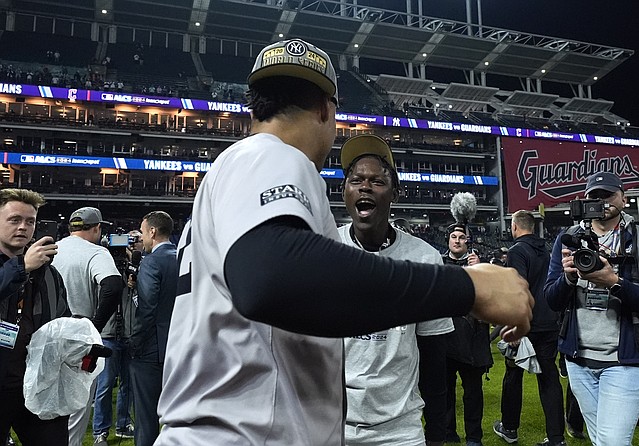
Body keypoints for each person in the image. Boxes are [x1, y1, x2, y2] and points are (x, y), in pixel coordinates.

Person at [155, 38, 533, 445]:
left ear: (255, 105)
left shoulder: (228, 169)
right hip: (245, 432)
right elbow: (271, 278)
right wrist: (468, 287)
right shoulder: (275, 157)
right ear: (326, 109)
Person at [338, 134, 454, 445]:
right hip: (332, 425)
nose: (365, 186)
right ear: (344, 192)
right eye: (357, 180)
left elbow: (434, 358)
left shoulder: (425, 259)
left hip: (400, 430)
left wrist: (438, 434)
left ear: (395, 194)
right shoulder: (324, 249)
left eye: (377, 181)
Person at [545, 171, 639, 446]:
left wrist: (614, 282)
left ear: (624, 199)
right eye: (594, 196)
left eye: (608, 195)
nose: (601, 201)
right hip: (579, 360)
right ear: (585, 201)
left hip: (628, 360)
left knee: (612, 441)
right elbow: (551, 300)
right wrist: (568, 278)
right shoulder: (567, 239)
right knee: (601, 439)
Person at [0, 188, 69, 446]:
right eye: (14, 220)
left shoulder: (49, 273)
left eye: (30, 221)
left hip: (37, 383)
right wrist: (22, 266)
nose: (23, 227)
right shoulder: (25, 265)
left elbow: (63, 318)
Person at [51, 207, 124, 446]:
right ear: (96, 228)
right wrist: (96, 327)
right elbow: (113, 286)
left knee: (48, 409)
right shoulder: (96, 252)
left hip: (47, 338)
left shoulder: (52, 249)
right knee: (77, 408)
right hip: (80, 340)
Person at [493, 210, 565, 446]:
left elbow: (518, 289)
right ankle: (556, 438)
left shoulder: (516, 251)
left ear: (514, 226)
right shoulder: (547, 249)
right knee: (549, 379)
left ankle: (510, 428)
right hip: (550, 323)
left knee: (513, 375)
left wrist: (514, 324)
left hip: (526, 324)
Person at [419, 223, 492, 446]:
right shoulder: (437, 262)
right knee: (444, 391)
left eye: (461, 237)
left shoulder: (482, 266)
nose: (457, 240)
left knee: (473, 394)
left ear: (468, 241)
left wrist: (481, 270)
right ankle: (448, 432)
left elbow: (491, 299)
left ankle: (474, 436)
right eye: (453, 236)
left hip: (473, 339)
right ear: (448, 240)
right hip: (444, 338)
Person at [129, 211, 177, 446]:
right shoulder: (185, 257)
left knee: (147, 418)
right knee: (179, 417)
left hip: (151, 349)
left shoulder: (151, 262)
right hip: (182, 347)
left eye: (142, 230)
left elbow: (147, 310)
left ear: (152, 232)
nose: (141, 237)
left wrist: (134, 344)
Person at [91, 233, 137, 444]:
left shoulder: (133, 271)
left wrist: (133, 275)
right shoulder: (102, 271)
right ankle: (100, 431)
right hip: (107, 334)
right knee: (105, 385)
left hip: (128, 333)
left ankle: (123, 425)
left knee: (127, 384)